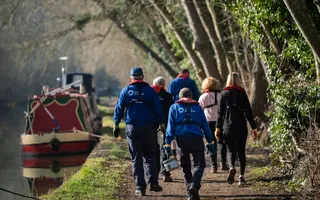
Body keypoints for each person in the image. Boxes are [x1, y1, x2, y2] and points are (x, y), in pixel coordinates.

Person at [113, 67, 165, 196]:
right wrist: (162, 123)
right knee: (150, 155)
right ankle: (153, 183)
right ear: (142, 77)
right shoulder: (150, 91)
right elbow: (158, 108)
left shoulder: (125, 91)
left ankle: (140, 187)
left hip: (132, 127)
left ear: (131, 78)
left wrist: (116, 124)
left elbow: (119, 109)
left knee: (136, 157)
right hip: (148, 127)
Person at [165, 88, 213, 200]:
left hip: (181, 140)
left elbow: (170, 128)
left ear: (179, 97)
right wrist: (209, 140)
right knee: (200, 165)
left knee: (185, 166)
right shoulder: (198, 107)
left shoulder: (174, 107)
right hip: (196, 138)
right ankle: (195, 185)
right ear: (191, 96)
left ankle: (190, 193)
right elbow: (205, 125)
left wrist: (167, 143)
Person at [215, 72, 258, 186]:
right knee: (241, 151)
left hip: (227, 126)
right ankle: (241, 177)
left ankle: (232, 167)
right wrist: (254, 128)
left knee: (230, 150)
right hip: (241, 126)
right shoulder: (242, 93)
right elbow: (248, 112)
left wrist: (217, 128)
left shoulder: (223, 93)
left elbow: (220, 113)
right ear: (239, 80)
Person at [198, 77, 228, 173]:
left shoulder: (203, 97)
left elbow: (199, 111)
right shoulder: (221, 95)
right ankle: (223, 163)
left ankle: (213, 165)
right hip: (221, 122)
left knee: (211, 143)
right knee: (222, 142)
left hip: (208, 122)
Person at [152, 76, 174, 182]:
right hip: (165, 126)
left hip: (152, 126)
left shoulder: (151, 95)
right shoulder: (169, 96)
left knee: (155, 148)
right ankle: (166, 173)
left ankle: (155, 172)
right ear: (164, 85)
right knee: (166, 148)